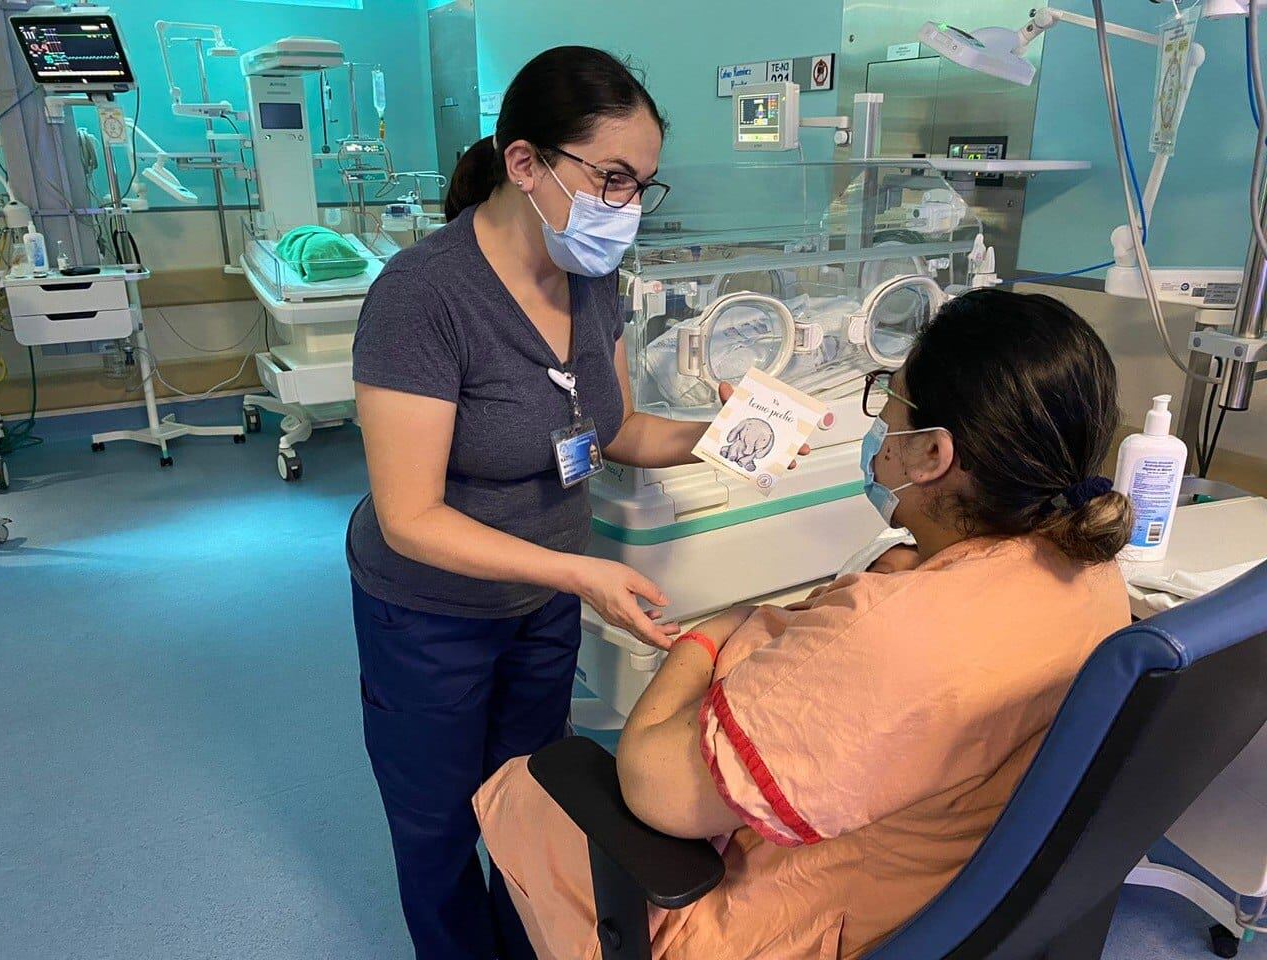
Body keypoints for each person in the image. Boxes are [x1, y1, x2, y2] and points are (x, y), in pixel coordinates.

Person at [474, 289, 1134, 960]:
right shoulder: (1094, 577)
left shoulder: (888, 632)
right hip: (956, 889)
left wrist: (713, 632)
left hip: (802, 921)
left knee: (524, 791)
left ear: (932, 454)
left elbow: (655, 790)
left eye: (889, 402)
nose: (880, 424)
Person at [346, 46, 819, 960]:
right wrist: (579, 573)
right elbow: (409, 517)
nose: (627, 206)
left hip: (542, 602)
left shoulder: (592, 278)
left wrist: (717, 432)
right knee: (438, 826)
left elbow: (612, 429)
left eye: (642, 184)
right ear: (524, 164)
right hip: (429, 613)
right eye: (610, 178)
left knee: (532, 796)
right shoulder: (423, 298)